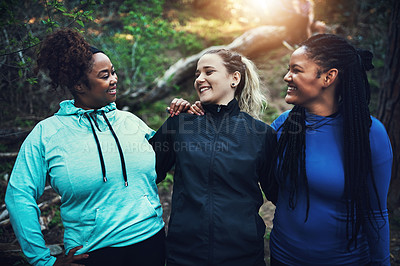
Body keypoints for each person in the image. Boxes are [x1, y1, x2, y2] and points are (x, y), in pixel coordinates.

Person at [5, 28, 166, 266]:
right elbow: (19, 195)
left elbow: (164, 162)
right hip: (92, 254)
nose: (114, 80)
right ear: (80, 85)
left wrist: (181, 119)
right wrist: (42, 260)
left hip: (151, 241)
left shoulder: (130, 122)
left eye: (113, 72)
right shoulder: (48, 134)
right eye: (104, 75)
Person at [269, 34, 392, 265]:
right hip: (283, 257)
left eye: (296, 70)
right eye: (288, 69)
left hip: (345, 261)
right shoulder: (283, 125)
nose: (287, 77)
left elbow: (376, 213)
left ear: (328, 77)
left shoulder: (369, 133)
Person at [149, 49, 277, 266]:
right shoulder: (179, 125)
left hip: (243, 256)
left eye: (209, 72)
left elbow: (279, 193)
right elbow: (144, 174)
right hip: (184, 254)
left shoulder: (261, 134)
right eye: (197, 74)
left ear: (234, 78)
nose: (200, 79)